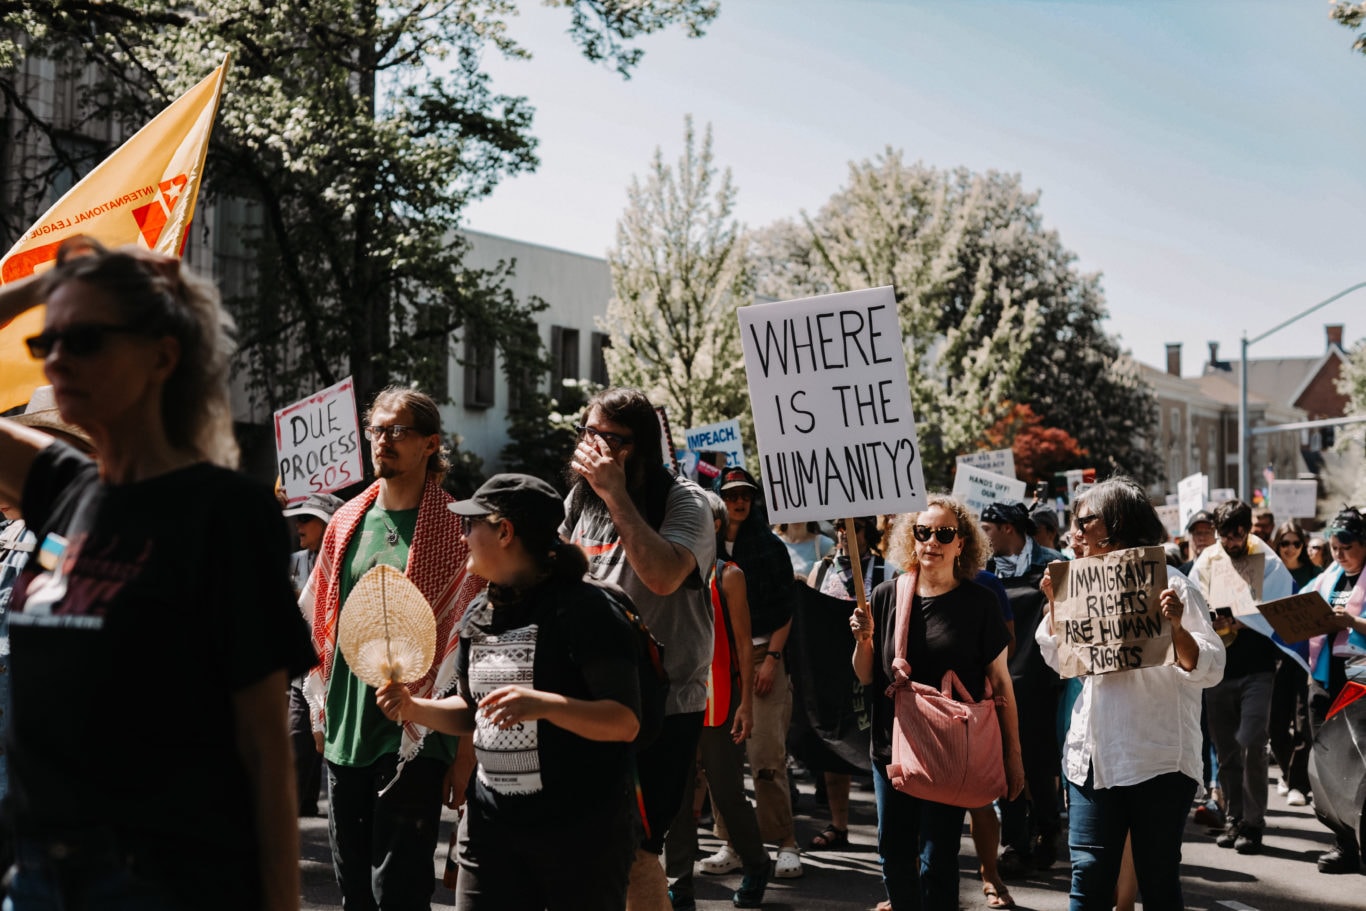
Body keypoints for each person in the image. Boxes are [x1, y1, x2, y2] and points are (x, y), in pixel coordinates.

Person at [0, 238, 316, 910]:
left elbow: (264, 753)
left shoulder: (224, 512)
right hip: (35, 879)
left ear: (161, 357)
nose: (57, 357)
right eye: (45, 341)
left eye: (83, 338)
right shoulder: (61, 488)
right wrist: (43, 286)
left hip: (161, 883)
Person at [374, 474, 642, 910]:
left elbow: (624, 721)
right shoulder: (480, 611)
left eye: (470, 526)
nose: (462, 539)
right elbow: (471, 711)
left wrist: (544, 705)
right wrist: (413, 706)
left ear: (504, 531)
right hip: (490, 828)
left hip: (580, 835)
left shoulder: (587, 609)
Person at [301, 386, 485, 911]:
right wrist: (319, 713)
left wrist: (464, 753)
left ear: (430, 444)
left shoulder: (457, 527)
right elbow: (319, 621)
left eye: (397, 430)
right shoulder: (345, 521)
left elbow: (469, 646)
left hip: (417, 739)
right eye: (377, 430)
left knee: (399, 894)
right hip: (346, 732)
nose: (383, 440)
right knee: (353, 893)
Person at [1038, 477, 1224, 910]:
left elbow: (1210, 668)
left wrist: (1176, 628)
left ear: (1116, 524)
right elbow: (1058, 658)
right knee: (1087, 877)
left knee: (1157, 880)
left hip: (1156, 760)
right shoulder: (1077, 584)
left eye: (1084, 522)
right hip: (1093, 759)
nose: (1075, 534)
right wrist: (1054, 606)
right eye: (1073, 524)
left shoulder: (1173, 585)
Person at [561, 387, 715, 911]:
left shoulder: (686, 502)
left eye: (608, 439)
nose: (593, 448)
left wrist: (615, 495)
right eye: (587, 434)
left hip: (663, 706)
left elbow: (664, 576)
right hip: (592, 699)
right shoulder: (579, 504)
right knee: (584, 845)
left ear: (640, 447)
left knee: (637, 850)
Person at [851, 496, 1025, 911]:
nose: (932, 541)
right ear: (911, 538)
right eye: (923, 532)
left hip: (949, 750)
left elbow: (1001, 684)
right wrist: (863, 641)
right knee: (893, 852)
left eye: (944, 534)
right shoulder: (885, 595)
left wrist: (1014, 757)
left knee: (938, 858)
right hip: (892, 748)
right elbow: (864, 674)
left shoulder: (980, 604)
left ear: (962, 543)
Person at [666, 490, 768, 910]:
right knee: (675, 795)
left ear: (716, 526)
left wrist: (746, 704)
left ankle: (758, 864)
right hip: (674, 698)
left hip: (718, 702)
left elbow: (744, 644)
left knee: (726, 794)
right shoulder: (668, 568)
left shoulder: (729, 575)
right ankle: (679, 882)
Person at [699, 467, 802, 880]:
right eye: (730, 494)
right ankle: (734, 843)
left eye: (745, 494)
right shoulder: (701, 546)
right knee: (721, 760)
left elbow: (785, 610)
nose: (738, 500)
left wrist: (772, 659)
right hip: (717, 662)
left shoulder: (770, 547)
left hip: (763, 658)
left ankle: (786, 844)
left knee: (765, 757)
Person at [1189, 499, 1296, 855]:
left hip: (1258, 669)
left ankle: (1254, 822)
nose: (1232, 544)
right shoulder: (1207, 561)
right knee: (1227, 749)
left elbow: (1282, 608)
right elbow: (1193, 603)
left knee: (1251, 742)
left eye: (1238, 536)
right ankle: (1234, 817)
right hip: (1220, 670)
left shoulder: (1268, 562)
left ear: (1249, 530)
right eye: (1225, 537)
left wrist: (1243, 619)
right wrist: (1213, 619)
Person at [979, 502, 1066, 885]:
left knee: (1040, 766)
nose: (983, 537)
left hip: (1042, 681)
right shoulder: (983, 571)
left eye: (988, 529)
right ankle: (1016, 843)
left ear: (1009, 529)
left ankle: (1048, 830)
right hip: (999, 681)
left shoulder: (1054, 565)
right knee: (1004, 765)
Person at [807, 516, 897, 859]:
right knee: (836, 742)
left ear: (867, 532)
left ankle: (889, 826)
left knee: (881, 746)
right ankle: (838, 823)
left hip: (874, 672)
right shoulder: (821, 571)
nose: (844, 533)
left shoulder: (887, 570)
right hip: (831, 672)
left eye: (854, 527)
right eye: (840, 528)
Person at [1300, 506, 1366, 874]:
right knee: (1327, 758)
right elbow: (1301, 605)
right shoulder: (1328, 577)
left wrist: (1352, 621)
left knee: (1361, 762)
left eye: (1347, 546)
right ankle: (1342, 844)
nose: (1339, 554)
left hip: (1362, 678)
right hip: (1325, 676)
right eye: (1333, 547)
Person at [282, 492, 345, 817]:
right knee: (297, 741)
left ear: (330, 523)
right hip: (302, 676)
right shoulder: (291, 562)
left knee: (338, 750)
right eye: (297, 518)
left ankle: (345, 819)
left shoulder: (347, 560)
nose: (298, 525)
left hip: (340, 673)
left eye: (306, 518)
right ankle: (299, 807)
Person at [1268, 519, 1319, 807]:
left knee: (1303, 724)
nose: (1290, 548)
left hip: (1306, 657)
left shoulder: (1316, 574)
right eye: (1284, 543)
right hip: (1275, 656)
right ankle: (1289, 773)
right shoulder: (1271, 575)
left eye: (1295, 543)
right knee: (1274, 725)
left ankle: (1299, 783)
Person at [1178, 509, 1216, 575]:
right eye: (1197, 533)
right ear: (1189, 538)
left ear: (1216, 536)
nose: (1202, 538)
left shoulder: (1227, 568)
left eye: (1207, 532)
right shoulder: (1180, 574)